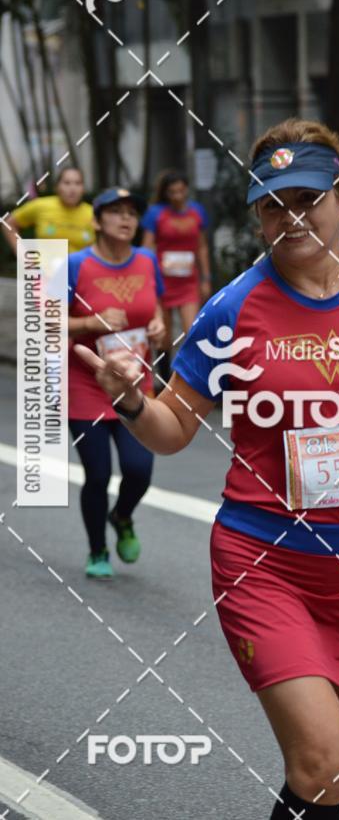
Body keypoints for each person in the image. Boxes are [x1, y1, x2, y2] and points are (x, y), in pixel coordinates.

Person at [74, 119, 339, 817]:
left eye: (309, 198)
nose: (293, 217)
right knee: (320, 758)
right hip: (264, 561)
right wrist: (132, 400)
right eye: (274, 204)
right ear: (256, 217)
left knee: (333, 779)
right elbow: (172, 431)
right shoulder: (233, 309)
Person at [67, 188, 165, 579]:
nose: (126, 219)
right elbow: (46, 321)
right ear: (96, 221)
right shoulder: (75, 265)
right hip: (86, 382)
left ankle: (122, 516)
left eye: (132, 213)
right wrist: (90, 323)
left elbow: (153, 304)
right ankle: (97, 551)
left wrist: (158, 324)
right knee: (99, 473)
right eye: (115, 212)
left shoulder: (148, 260)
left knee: (140, 469)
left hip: (134, 384)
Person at [141, 170, 211, 380]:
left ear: (186, 190)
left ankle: (192, 379)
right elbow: (147, 247)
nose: (178, 196)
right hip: (162, 281)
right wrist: (147, 279)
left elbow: (202, 247)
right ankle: (164, 380)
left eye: (181, 191)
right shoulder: (156, 213)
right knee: (165, 337)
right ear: (166, 193)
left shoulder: (197, 211)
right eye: (172, 192)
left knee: (192, 331)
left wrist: (206, 278)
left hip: (188, 282)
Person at [1, 166, 94, 254]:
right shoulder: (41, 206)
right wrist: (23, 255)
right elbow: (8, 224)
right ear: (57, 187)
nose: (72, 189)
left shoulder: (93, 213)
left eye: (78, 183)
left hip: (80, 269)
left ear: (83, 188)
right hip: (44, 269)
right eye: (67, 183)